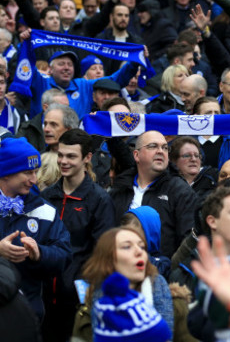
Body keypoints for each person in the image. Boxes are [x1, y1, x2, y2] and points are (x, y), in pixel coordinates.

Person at [40, 129, 115, 342]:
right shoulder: (47, 197)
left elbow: (103, 254)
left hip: (78, 300)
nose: (63, 161)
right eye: (61, 155)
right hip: (44, 299)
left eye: (71, 156)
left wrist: (82, 288)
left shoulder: (99, 200)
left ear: (87, 158)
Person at [0, 138, 71, 320]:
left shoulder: (44, 210)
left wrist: (39, 254)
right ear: (6, 173)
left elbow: (64, 255)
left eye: (36, 172)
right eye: (27, 172)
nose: (34, 179)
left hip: (25, 316)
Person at [109, 130, 200, 258]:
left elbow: (188, 243)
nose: (160, 151)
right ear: (136, 155)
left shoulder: (180, 191)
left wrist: (169, 271)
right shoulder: (119, 190)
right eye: (153, 146)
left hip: (162, 273)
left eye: (165, 148)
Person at [82, 227, 173, 337]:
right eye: (127, 247)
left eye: (142, 246)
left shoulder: (160, 287)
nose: (139, 251)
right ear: (108, 258)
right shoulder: (89, 310)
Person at [16, 88, 69, 153]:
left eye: (68, 107)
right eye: (62, 107)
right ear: (46, 108)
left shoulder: (70, 127)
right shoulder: (28, 128)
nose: (67, 111)